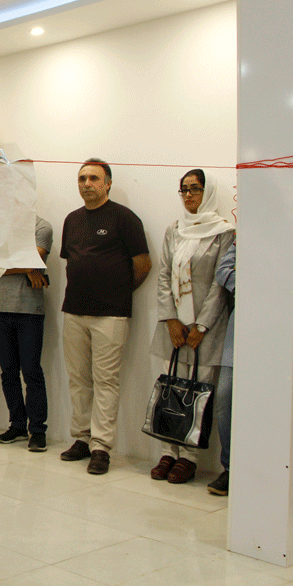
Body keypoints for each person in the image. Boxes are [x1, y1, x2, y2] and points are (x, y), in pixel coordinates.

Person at [60, 159, 150, 475]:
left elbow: (143, 264)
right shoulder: (72, 220)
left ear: (107, 183)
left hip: (110, 314)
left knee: (106, 381)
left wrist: (118, 292)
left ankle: (101, 447)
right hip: (74, 311)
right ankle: (82, 438)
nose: (87, 184)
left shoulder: (124, 218)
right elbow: (72, 261)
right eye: (82, 178)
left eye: (93, 178)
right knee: (78, 380)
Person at [148, 170, 234, 484]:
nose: (188, 195)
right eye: (183, 189)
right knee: (171, 387)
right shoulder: (175, 229)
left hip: (205, 330)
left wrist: (201, 325)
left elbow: (219, 284)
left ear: (207, 192)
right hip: (174, 328)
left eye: (195, 189)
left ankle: (189, 457)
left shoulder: (224, 232)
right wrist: (171, 319)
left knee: (199, 393)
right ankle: (168, 451)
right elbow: (164, 275)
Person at [0, 215, 53, 452]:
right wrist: (27, 268)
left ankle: (37, 430)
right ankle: (17, 425)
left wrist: (10, 264)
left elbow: (34, 257)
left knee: (31, 371)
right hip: (0, 308)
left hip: (29, 310)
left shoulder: (42, 227)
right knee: (8, 372)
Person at [209, 240, 235, 495]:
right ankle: (230, 468)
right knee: (225, 398)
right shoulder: (246, 236)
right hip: (240, 328)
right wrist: (257, 287)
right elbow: (224, 270)